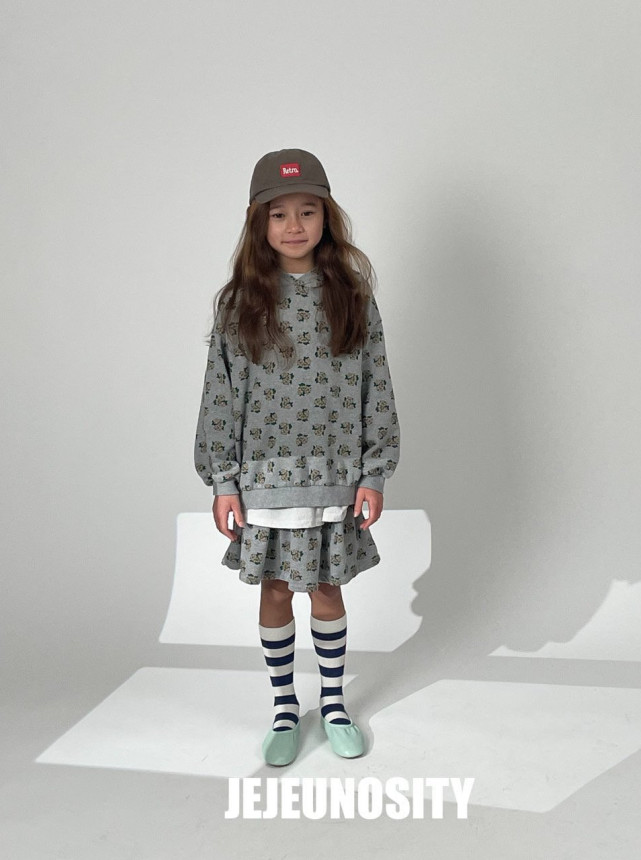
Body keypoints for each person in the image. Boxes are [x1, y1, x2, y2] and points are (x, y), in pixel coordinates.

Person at [194, 148, 401, 766]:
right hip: (265, 481)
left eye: (307, 211)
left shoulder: (352, 297)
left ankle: (333, 704)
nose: (293, 225)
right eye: (278, 213)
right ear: (258, 222)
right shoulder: (239, 303)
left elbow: (377, 385)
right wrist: (223, 482)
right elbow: (220, 394)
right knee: (278, 589)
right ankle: (286, 708)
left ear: (326, 217)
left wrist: (374, 472)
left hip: (334, 478)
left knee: (328, 589)